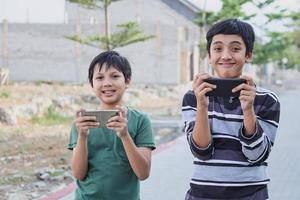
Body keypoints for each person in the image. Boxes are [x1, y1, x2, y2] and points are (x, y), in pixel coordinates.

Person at [182, 18, 280, 200]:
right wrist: (202, 106)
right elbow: (201, 152)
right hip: (203, 194)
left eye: (235, 48)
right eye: (218, 48)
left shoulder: (267, 100)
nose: (226, 55)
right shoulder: (193, 96)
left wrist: (248, 110)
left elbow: (257, 155)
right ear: (209, 56)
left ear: (248, 55)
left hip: (251, 194)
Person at [68, 51, 156, 200]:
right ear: (92, 84)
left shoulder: (141, 120)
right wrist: (82, 137)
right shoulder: (82, 123)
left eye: (115, 76)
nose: (107, 83)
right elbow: (78, 174)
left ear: (127, 80)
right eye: (99, 78)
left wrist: (125, 135)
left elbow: (143, 173)